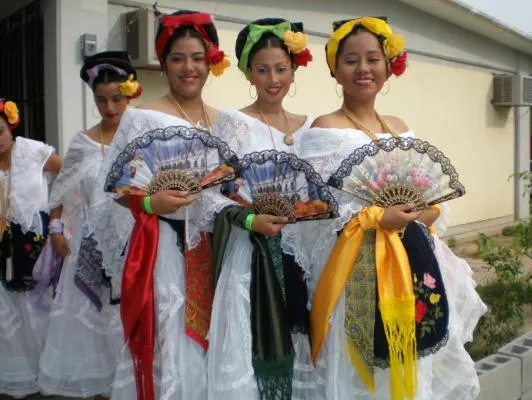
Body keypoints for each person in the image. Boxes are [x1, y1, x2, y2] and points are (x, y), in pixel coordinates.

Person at [297, 17, 486, 399]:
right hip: (356, 268)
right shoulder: (324, 128)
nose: (363, 69)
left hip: (413, 260)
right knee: (363, 364)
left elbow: (429, 197)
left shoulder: (401, 127)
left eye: (373, 59)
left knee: (414, 357)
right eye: (351, 60)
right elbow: (319, 206)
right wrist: (378, 217)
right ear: (335, 68)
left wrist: (427, 212)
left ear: (388, 67)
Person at [91, 10, 241, 400]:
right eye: (177, 58)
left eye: (196, 57)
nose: (188, 68)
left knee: (223, 341)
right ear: (163, 62)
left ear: (211, 61)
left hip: (222, 250)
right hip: (169, 254)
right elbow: (114, 191)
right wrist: (150, 203)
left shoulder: (227, 122)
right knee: (173, 348)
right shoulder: (142, 119)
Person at [208, 18, 316, 400]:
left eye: (281, 68)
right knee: (256, 337)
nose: (274, 78)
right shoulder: (232, 124)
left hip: (303, 250)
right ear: (248, 74)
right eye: (263, 69)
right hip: (253, 252)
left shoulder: (311, 127)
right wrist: (250, 218)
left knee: (305, 336)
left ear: (294, 69)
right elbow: (212, 193)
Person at [38, 51, 141, 399]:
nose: (110, 108)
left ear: (130, 95)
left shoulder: (141, 135)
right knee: (93, 323)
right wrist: (55, 231)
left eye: (117, 99)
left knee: (128, 317)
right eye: (101, 100)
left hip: (134, 241)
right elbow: (60, 192)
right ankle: (101, 388)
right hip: (88, 243)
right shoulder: (82, 142)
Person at [0, 98, 62, 398]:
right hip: (2, 243)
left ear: (10, 128)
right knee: (7, 309)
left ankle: (48, 371)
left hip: (34, 238)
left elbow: (67, 172)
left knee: (39, 304)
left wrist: (59, 216)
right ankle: (18, 375)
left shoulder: (32, 150)